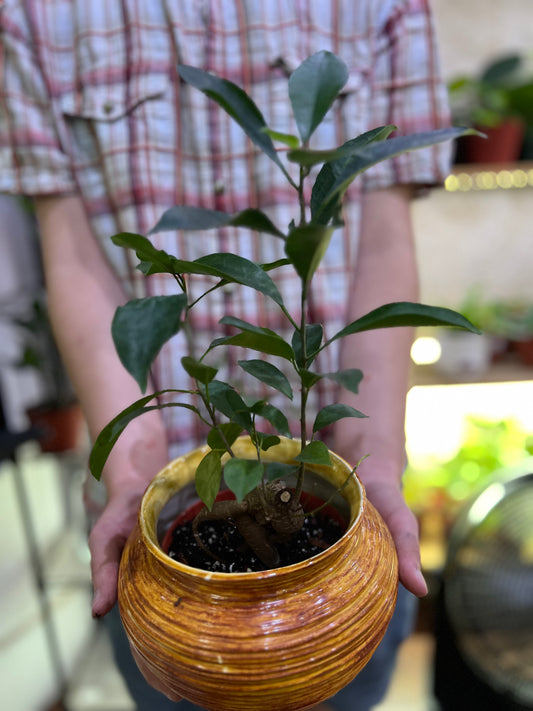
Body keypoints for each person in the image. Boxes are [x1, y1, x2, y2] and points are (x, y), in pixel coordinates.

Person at [0, 2, 451, 709]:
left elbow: (383, 236)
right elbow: (72, 250)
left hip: (335, 499)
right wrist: (131, 457)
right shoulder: (31, 12)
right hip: (158, 535)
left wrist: (375, 447)